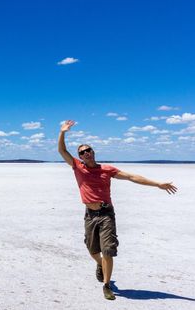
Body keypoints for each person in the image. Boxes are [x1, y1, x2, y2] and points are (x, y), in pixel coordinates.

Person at [58, 120, 177, 300]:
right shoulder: (78, 167)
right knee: (92, 250)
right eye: (82, 152)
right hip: (90, 214)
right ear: (80, 157)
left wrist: (157, 184)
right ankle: (100, 264)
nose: (86, 153)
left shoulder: (107, 169)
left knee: (108, 250)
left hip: (106, 214)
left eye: (88, 150)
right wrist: (62, 132)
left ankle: (106, 285)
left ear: (93, 152)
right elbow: (62, 151)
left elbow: (131, 177)